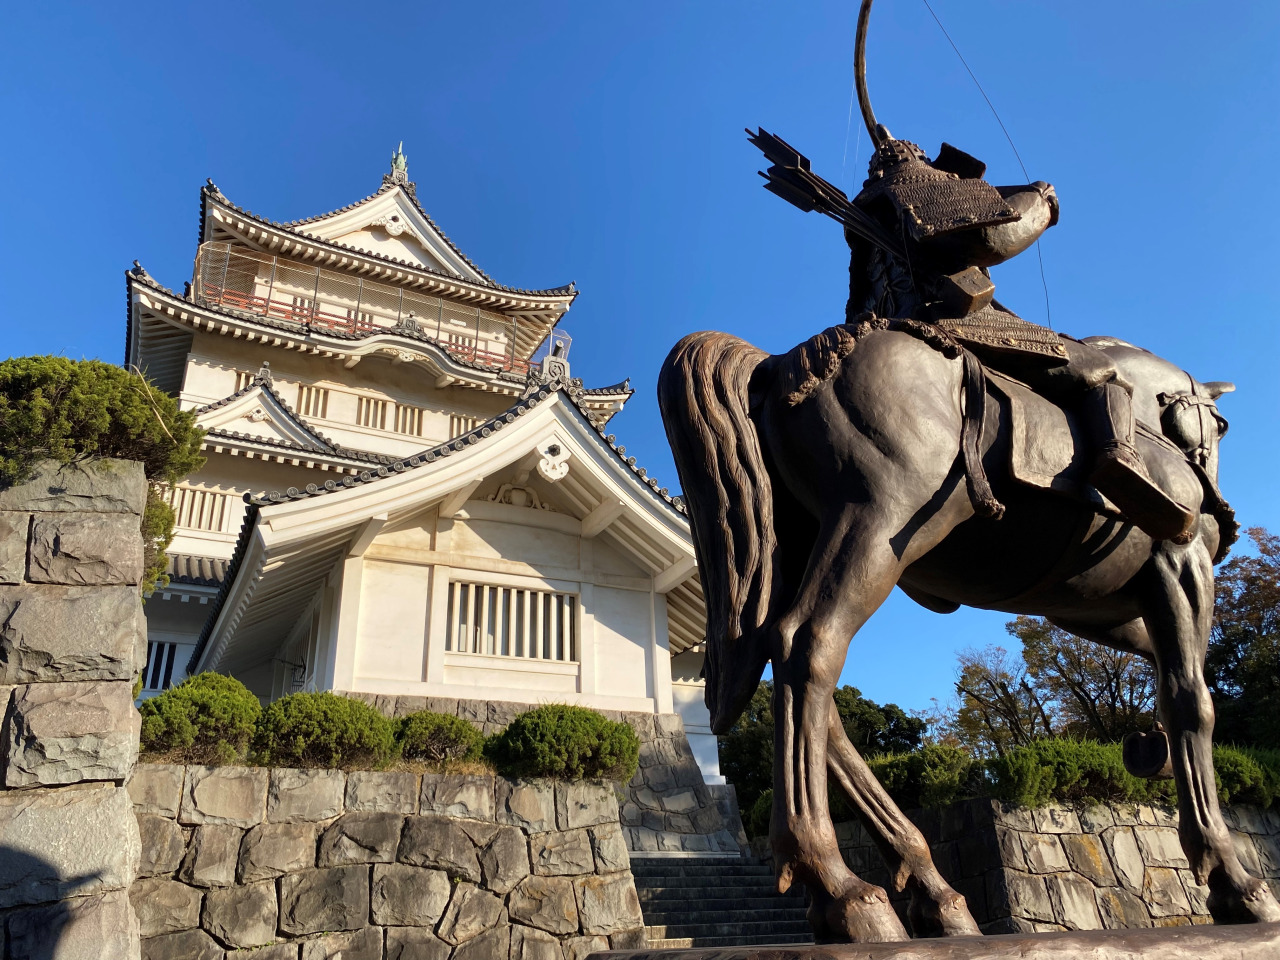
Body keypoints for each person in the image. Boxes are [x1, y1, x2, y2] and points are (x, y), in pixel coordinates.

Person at [843, 132, 1194, 542]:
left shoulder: (865, 224)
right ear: (916, 158)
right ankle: (1117, 456)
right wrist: (1042, 202)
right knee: (1101, 368)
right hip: (956, 321)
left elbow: (857, 306)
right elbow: (991, 240)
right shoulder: (919, 184)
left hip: (886, 325)